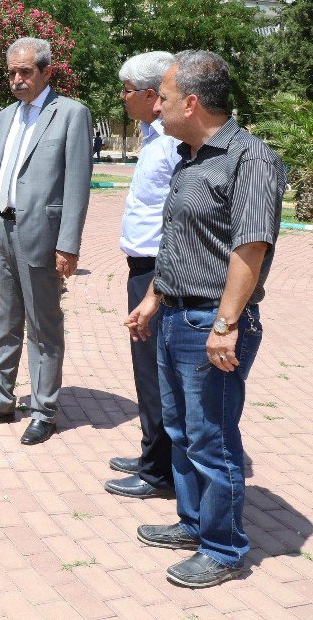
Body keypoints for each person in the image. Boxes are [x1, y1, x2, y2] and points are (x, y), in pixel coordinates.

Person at [126, 50, 286, 588]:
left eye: (165, 99)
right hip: (174, 316)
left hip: (210, 326)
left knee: (212, 437)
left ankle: (224, 548)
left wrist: (226, 323)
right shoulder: (190, 156)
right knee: (182, 430)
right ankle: (193, 523)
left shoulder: (250, 158)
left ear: (191, 103)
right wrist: (154, 297)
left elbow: (251, 246)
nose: (158, 108)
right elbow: (178, 241)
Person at [0, 37, 92, 445]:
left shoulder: (71, 114)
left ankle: (44, 409)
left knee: (43, 325)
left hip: (41, 234)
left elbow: (77, 185)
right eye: (12, 73)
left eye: (25, 72)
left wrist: (68, 245)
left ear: (45, 71)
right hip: (1, 228)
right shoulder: (5, 116)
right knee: (2, 320)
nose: (17, 80)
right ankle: (0, 400)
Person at [105, 52, 179, 499]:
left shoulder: (172, 141)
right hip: (142, 269)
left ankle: (159, 472)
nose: (123, 98)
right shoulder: (154, 136)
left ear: (153, 95)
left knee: (154, 374)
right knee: (145, 368)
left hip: (158, 272)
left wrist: (155, 285)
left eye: (129, 90)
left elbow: (177, 218)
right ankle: (153, 451)